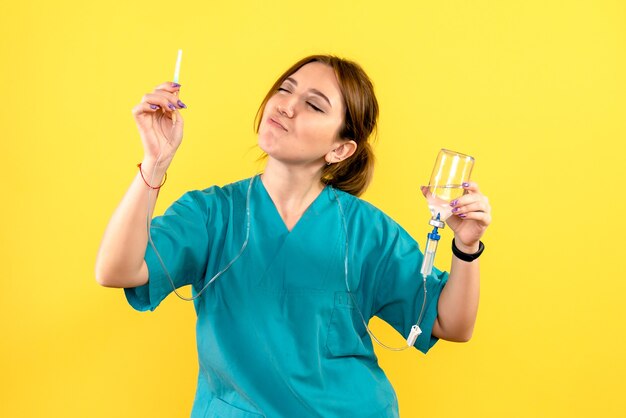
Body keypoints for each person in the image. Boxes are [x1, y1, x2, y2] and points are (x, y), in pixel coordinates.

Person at [95, 54, 492, 417]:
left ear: (340, 149)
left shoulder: (367, 231)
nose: (286, 105)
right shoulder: (212, 214)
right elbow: (117, 270)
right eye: (285, 89)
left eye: (314, 104)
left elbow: (450, 323)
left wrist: (466, 247)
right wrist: (155, 162)